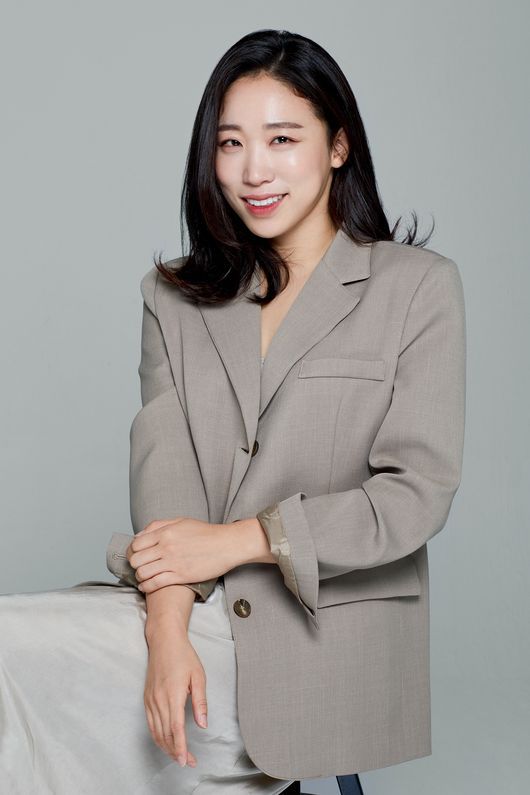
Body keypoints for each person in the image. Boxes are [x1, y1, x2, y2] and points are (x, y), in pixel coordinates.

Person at [0, 28, 466, 793]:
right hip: (189, 618)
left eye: (282, 139)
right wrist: (165, 629)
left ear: (338, 145)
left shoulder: (415, 288)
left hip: (320, 635)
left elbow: (415, 495)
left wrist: (240, 540)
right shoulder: (173, 299)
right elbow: (167, 480)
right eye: (230, 143)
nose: (253, 170)